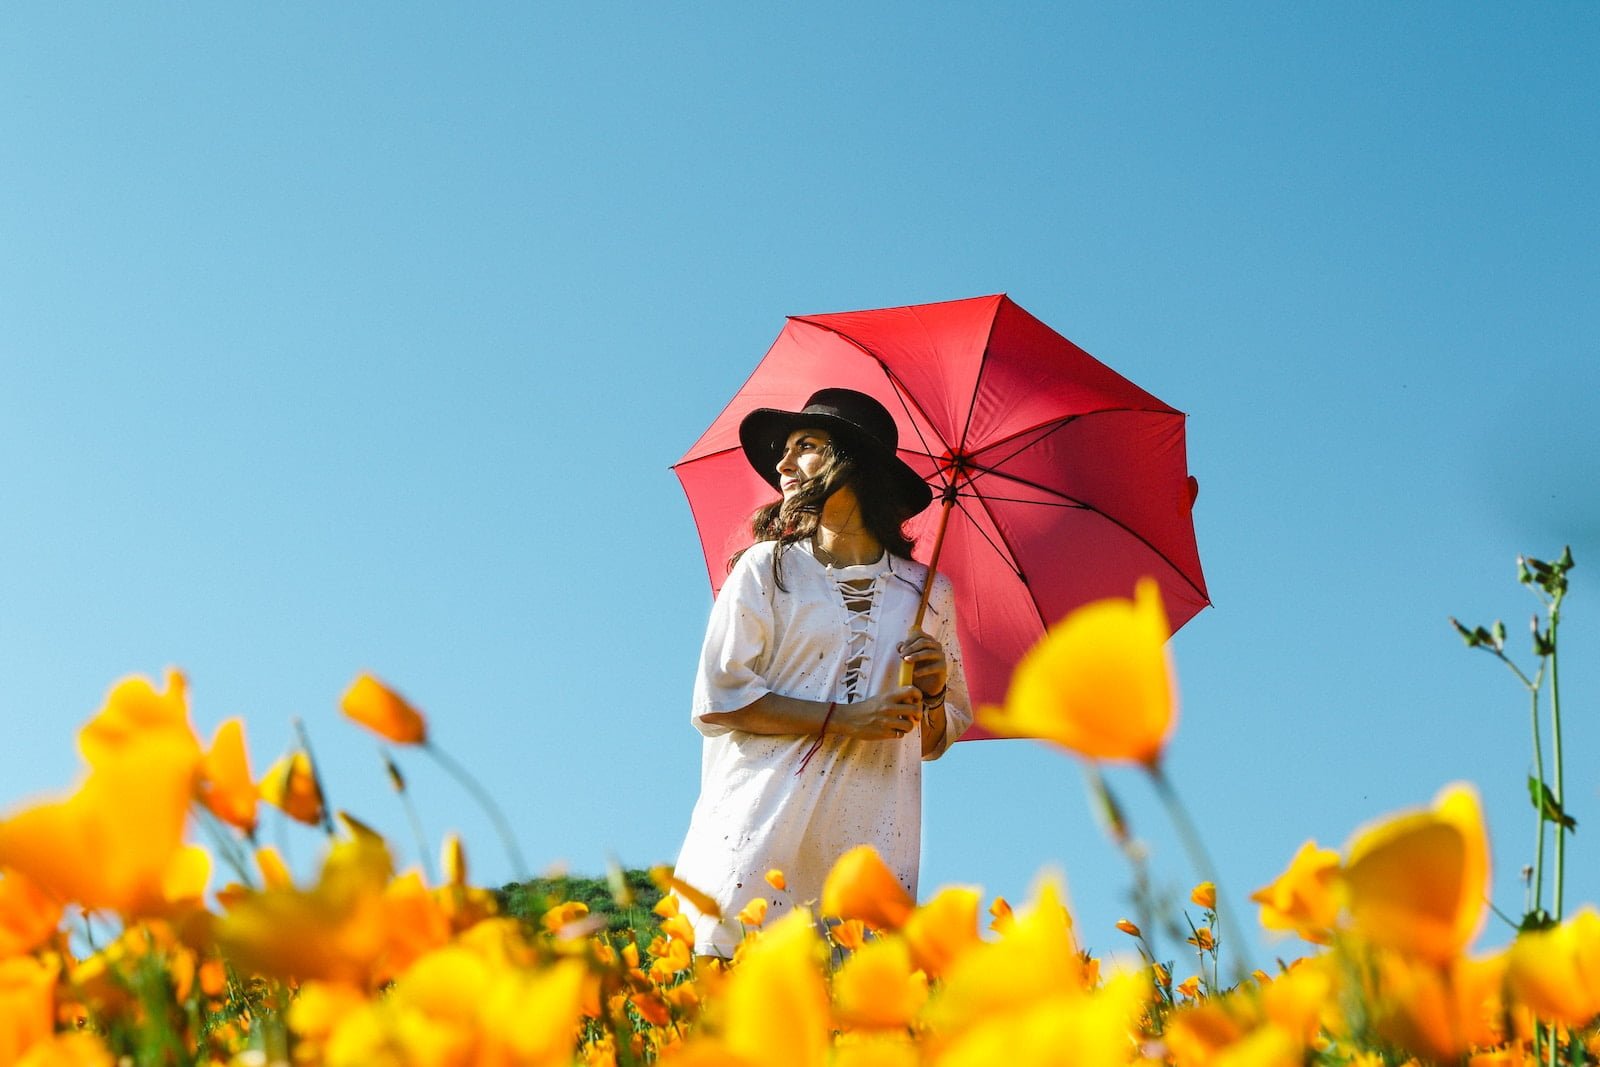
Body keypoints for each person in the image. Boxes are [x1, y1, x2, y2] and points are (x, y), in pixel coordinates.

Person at [671, 388, 972, 956]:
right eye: (785, 450)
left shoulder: (928, 594)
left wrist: (932, 693)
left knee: (850, 1014)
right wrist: (845, 719)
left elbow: (932, 739)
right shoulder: (768, 568)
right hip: (758, 820)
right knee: (731, 997)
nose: (783, 464)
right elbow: (721, 698)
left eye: (805, 446)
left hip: (870, 830)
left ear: (854, 462)